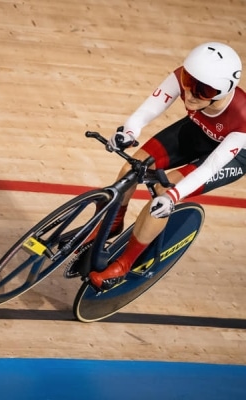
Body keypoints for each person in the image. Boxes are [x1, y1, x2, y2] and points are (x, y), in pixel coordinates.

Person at [88, 41, 246, 290]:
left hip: (230, 155)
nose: (191, 93)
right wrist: (128, 132)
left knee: (163, 195)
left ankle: (124, 265)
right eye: (188, 81)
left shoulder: (242, 117)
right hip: (198, 131)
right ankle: (113, 223)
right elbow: (148, 109)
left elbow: (210, 167)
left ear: (222, 90)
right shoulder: (186, 79)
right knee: (132, 167)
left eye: (202, 90)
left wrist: (173, 195)